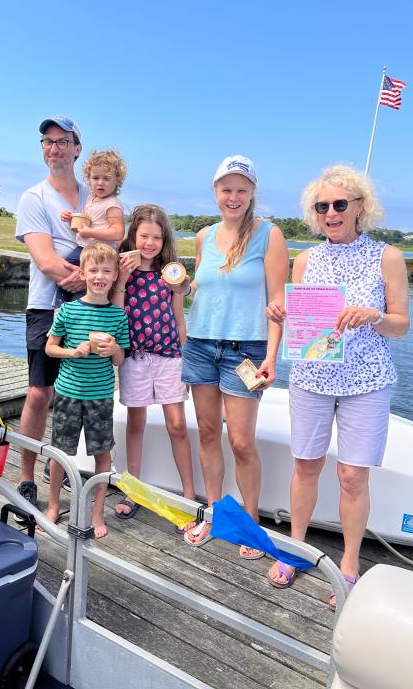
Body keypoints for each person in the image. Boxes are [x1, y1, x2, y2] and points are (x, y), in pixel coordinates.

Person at [264, 164, 410, 608]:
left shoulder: (388, 256)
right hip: (312, 375)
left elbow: (401, 325)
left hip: (366, 380)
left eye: (339, 204)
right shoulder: (306, 260)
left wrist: (374, 316)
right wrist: (280, 313)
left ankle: (348, 565)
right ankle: (295, 548)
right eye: (322, 206)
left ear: (360, 207)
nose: (330, 212)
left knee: (351, 475)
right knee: (305, 466)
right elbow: (302, 318)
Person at [181, 156, 288, 559]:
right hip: (201, 346)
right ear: (215, 192)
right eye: (226, 189)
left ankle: (251, 524)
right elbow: (200, 288)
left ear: (252, 193)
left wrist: (273, 357)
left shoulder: (270, 235)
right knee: (208, 434)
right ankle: (213, 512)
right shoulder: (204, 236)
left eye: (241, 189)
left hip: (245, 351)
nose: (234, 196)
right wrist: (178, 286)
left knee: (242, 442)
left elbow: (277, 303)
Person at [14, 116, 88, 507]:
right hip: (46, 307)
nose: (55, 148)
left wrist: (92, 286)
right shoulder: (34, 198)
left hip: (90, 309)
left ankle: (61, 465)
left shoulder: (99, 196)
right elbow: (45, 260)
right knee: (39, 392)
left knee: (78, 393)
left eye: (63, 141)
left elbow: (112, 246)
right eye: (48, 141)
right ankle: (26, 475)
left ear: (78, 149)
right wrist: (87, 279)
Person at [110, 204, 195, 522]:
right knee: (136, 423)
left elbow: (179, 317)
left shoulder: (170, 273)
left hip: (168, 357)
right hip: (135, 358)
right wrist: (122, 277)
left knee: (177, 425)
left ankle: (188, 496)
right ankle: (133, 490)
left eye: (156, 237)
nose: (149, 243)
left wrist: (184, 352)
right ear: (134, 235)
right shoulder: (124, 271)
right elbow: (118, 312)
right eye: (144, 236)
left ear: (164, 240)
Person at [44, 243, 129, 538]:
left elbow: (120, 360)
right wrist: (73, 352)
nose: (100, 276)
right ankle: (54, 506)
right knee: (60, 452)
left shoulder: (118, 316)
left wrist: (115, 349)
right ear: (82, 273)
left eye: (106, 270)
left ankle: (96, 513)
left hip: (101, 395)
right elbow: (50, 348)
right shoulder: (68, 310)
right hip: (68, 392)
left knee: (102, 454)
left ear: (116, 274)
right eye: (93, 270)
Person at [60, 148, 127, 263]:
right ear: (89, 179)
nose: (100, 182)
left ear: (117, 181)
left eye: (106, 178)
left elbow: (118, 232)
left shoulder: (112, 204)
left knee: (68, 268)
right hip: (84, 247)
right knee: (63, 269)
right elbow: (90, 223)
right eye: (95, 178)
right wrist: (71, 219)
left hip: (101, 251)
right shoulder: (91, 198)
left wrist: (90, 233)